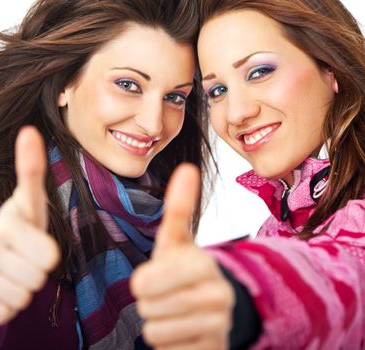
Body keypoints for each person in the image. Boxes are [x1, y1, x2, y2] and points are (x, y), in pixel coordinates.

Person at [0, 0, 212, 349]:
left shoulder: (154, 206)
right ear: (65, 83)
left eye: (175, 97)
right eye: (128, 84)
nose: (153, 123)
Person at [131, 0, 365, 349]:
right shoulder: (279, 224)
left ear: (329, 68)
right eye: (218, 91)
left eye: (259, 72)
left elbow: (346, 272)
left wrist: (237, 294)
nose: (237, 113)